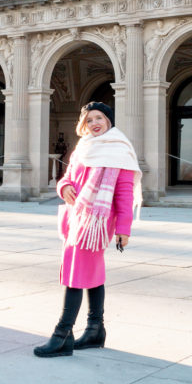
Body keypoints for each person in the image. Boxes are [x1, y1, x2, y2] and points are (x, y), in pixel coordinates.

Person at [34, 101, 142, 358]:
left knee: (75, 274)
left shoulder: (119, 149)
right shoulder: (83, 148)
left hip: (96, 222)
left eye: (99, 118)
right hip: (76, 217)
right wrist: (64, 187)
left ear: (109, 121)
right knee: (92, 273)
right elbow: (68, 177)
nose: (94, 123)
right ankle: (95, 329)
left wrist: (124, 229)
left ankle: (63, 335)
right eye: (90, 119)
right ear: (84, 124)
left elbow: (125, 193)